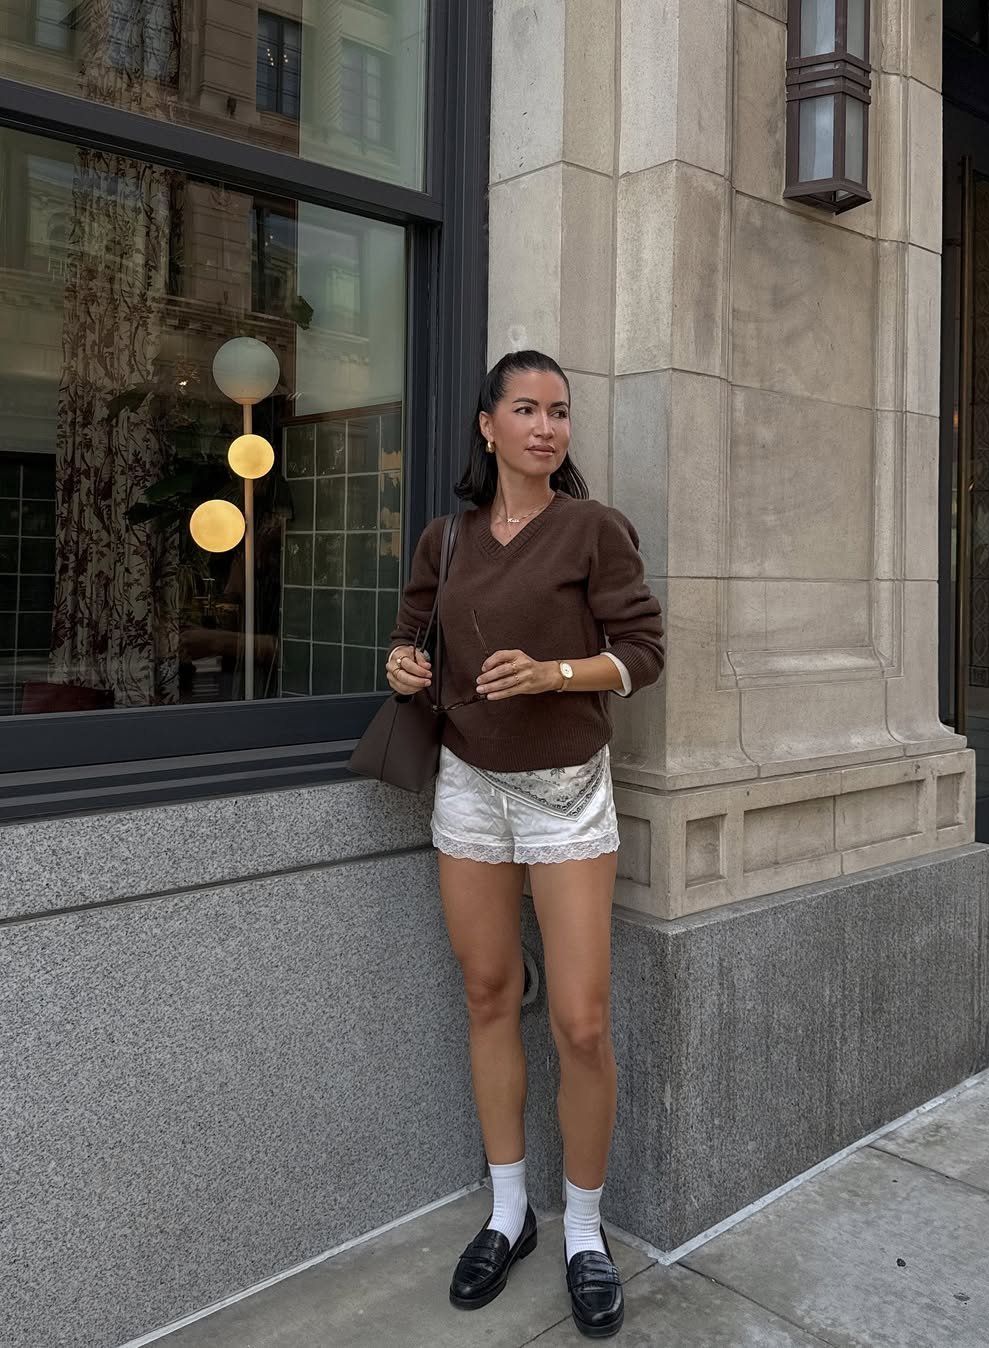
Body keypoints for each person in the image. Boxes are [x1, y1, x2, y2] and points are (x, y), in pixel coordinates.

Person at [386, 350, 664, 1339]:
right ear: (487, 424)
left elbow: (645, 652)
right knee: (489, 995)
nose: (546, 427)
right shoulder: (449, 537)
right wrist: (404, 662)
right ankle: (510, 1212)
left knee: (581, 1023)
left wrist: (555, 673)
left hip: (566, 794)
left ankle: (584, 1228)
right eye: (527, 409)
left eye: (560, 412)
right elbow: (413, 636)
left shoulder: (593, 528)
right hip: (469, 789)